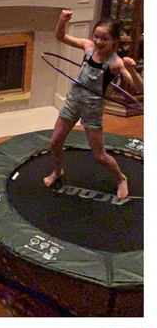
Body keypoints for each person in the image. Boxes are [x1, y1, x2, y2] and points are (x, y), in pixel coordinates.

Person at [44, 11, 143, 200]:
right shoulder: (88, 47)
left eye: (104, 39)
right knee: (55, 141)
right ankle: (57, 171)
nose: (98, 41)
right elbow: (60, 36)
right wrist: (62, 20)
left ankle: (121, 178)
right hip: (74, 101)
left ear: (114, 41)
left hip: (92, 108)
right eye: (96, 36)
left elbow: (139, 89)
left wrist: (132, 71)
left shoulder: (115, 63)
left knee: (99, 156)